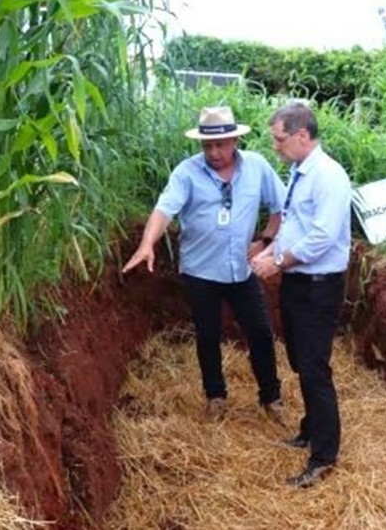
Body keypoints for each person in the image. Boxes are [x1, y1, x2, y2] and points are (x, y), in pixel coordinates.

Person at [122, 106, 287, 424]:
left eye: (220, 145)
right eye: (207, 146)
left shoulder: (257, 167)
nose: (214, 152)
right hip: (201, 271)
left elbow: (281, 206)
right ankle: (216, 397)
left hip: (241, 269)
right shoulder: (187, 172)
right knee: (208, 335)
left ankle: (272, 398)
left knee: (261, 332)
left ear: (235, 141)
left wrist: (266, 241)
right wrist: (147, 244)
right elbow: (163, 210)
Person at [251, 102, 351, 488]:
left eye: (279, 138)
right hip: (299, 281)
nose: (275, 146)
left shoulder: (329, 176)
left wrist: (278, 262)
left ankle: (324, 456)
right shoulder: (299, 172)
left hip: (319, 287)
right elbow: (296, 225)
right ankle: (310, 429)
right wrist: (271, 251)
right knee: (300, 359)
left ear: (302, 135)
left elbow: (323, 237)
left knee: (313, 368)